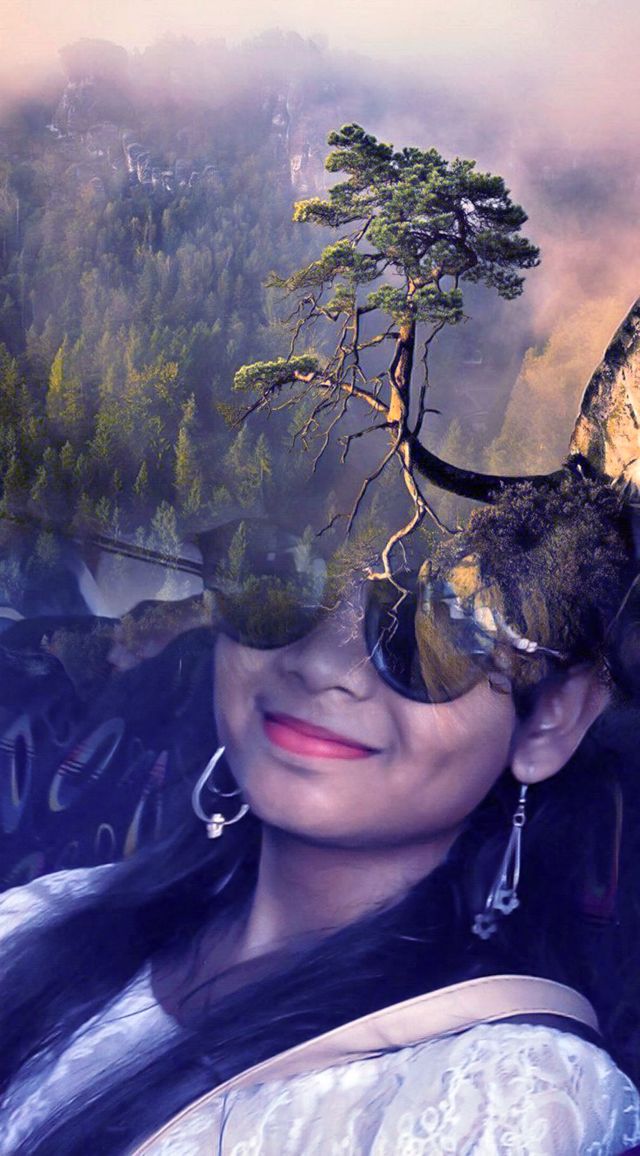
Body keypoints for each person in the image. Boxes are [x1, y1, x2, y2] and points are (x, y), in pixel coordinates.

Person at [1, 472, 640, 1155]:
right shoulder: (35, 920)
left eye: (428, 631)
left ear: (550, 720)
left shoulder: (505, 1097)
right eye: (282, 582)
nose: (322, 664)